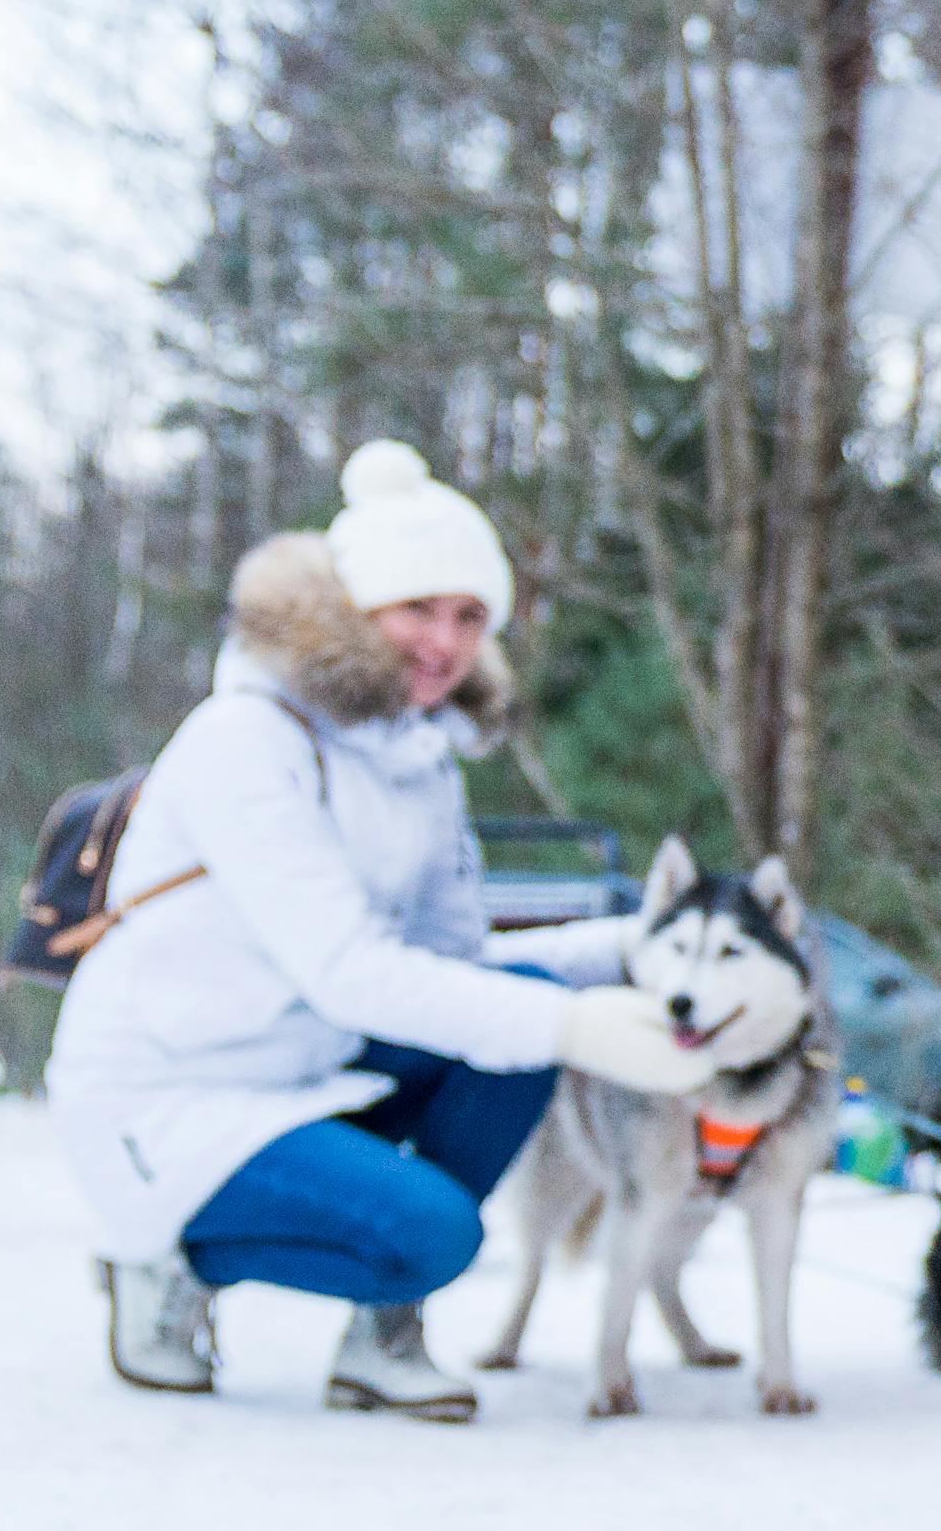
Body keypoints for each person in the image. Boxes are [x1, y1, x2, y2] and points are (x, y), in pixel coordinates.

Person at [48, 442, 726, 1418]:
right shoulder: (247, 740)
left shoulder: (419, 758)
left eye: (468, 617)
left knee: (523, 1017)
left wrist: (626, 948)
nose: (443, 645)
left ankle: (376, 1339)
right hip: (171, 1098)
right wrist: (580, 1031)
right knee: (436, 1236)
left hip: (304, 1063)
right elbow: (349, 973)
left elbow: (452, 970)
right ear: (351, 609)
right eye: (417, 609)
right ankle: (157, 1258)